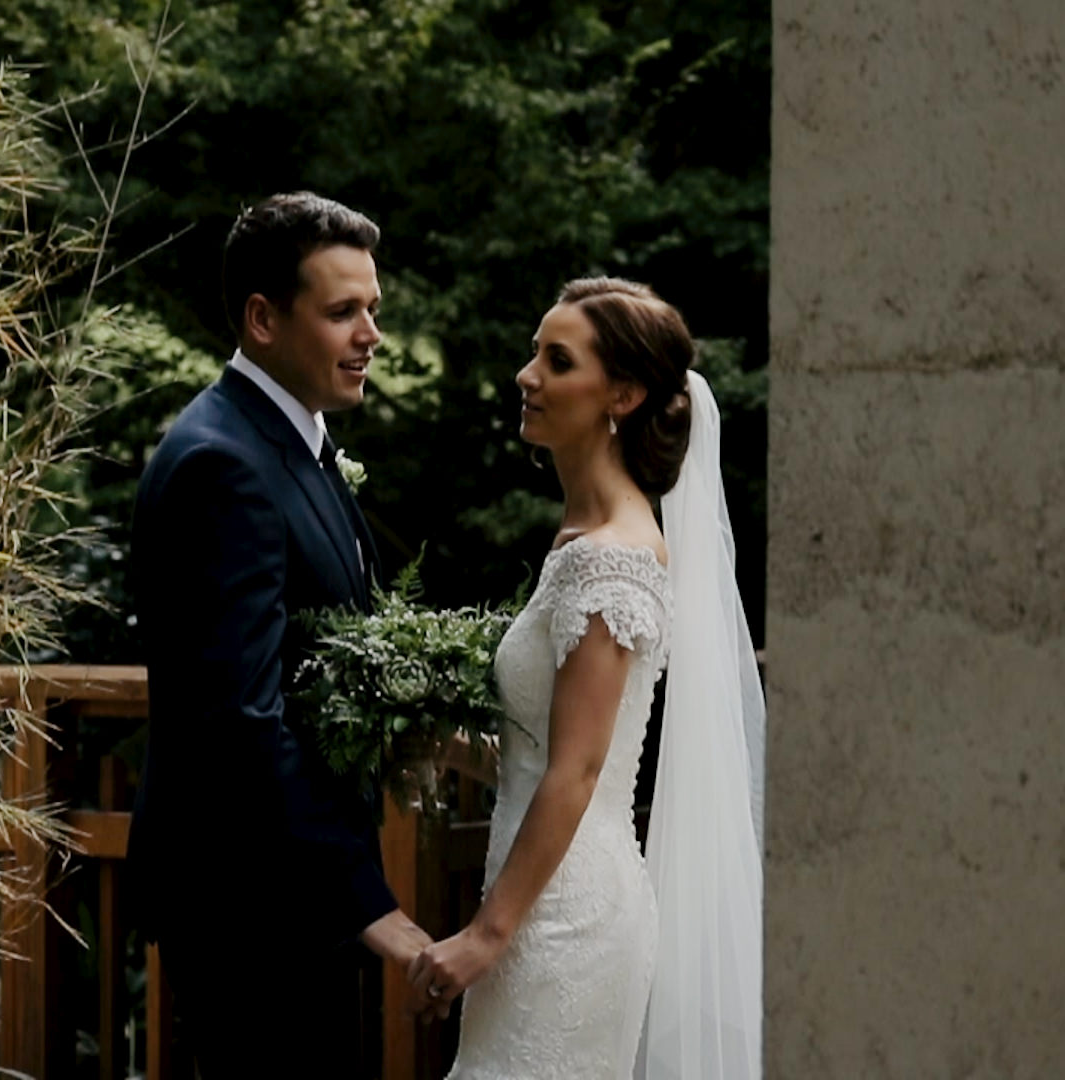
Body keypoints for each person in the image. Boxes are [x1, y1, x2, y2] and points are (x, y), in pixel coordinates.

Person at [411, 278, 766, 1079]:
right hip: (539, 886)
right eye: (535, 353)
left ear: (624, 394)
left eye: (556, 360)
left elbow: (578, 771)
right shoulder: (579, 538)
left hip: (564, 915)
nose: (526, 375)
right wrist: (446, 743)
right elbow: (546, 755)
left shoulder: (613, 557)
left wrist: (485, 936)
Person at [127, 192, 438, 1076]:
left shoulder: (293, 444)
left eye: (372, 309)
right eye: (343, 312)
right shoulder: (223, 464)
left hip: (292, 902)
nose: (370, 333)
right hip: (250, 909)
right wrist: (368, 902)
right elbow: (239, 719)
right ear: (263, 318)